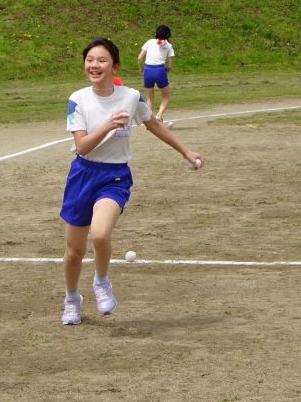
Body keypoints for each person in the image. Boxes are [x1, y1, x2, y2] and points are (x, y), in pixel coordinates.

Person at [59, 38, 204, 325]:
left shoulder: (130, 97)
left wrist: (186, 151)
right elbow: (83, 147)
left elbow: (154, 124)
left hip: (114, 177)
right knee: (74, 253)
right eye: (90, 60)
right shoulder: (78, 99)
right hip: (82, 175)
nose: (94, 65)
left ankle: (101, 282)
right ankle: (72, 299)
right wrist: (108, 125)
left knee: (100, 234)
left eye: (102, 60)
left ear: (115, 66)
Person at [137, 24, 174, 126]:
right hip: (160, 70)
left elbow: (139, 58)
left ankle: (149, 120)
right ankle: (159, 115)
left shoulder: (149, 42)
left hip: (148, 70)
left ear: (155, 34)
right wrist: (167, 70)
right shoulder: (169, 46)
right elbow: (169, 65)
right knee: (165, 97)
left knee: (150, 97)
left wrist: (141, 69)